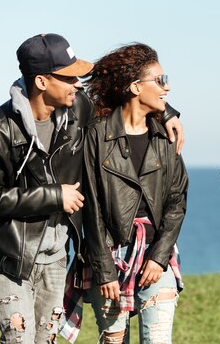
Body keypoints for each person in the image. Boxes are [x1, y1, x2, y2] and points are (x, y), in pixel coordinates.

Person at [0, 33, 184, 344]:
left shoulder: (77, 108)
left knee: (46, 341)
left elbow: (125, 92)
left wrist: (167, 112)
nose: (78, 84)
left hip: (57, 252)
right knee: (19, 340)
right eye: (68, 77)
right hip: (10, 256)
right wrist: (56, 196)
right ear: (42, 82)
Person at [82, 43, 188, 344]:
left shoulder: (165, 135)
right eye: (160, 80)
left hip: (156, 253)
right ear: (134, 87)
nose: (167, 88)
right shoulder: (97, 135)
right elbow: (91, 207)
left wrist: (159, 257)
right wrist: (104, 269)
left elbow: (176, 201)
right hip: (109, 255)